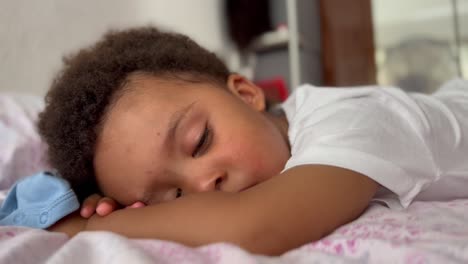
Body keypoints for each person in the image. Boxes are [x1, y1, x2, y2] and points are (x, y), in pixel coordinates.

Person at [36, 26, 468, 255]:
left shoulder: (352, 120)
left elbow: (257, 225)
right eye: (175, 195)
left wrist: (95, 227)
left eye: (200, 141)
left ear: (246, 94)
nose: (205, 185)